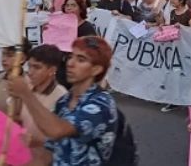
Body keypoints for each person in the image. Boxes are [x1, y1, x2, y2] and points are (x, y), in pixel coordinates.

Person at [9, 36, 117, 166]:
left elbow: (57, 130)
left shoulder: (101, 104)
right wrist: (38, 141)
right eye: (71, 57)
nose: (70, 63)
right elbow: (56, 145)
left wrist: (25, 94)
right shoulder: (64, 101)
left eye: (81, 60)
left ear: (96, 69)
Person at [18, 45, 69, 166]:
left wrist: (38, 141)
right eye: (29, 66)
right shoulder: (27, 88)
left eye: (37, 67)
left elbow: (65, 140)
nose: (30, 72)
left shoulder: (62, 98)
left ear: (52, 70)